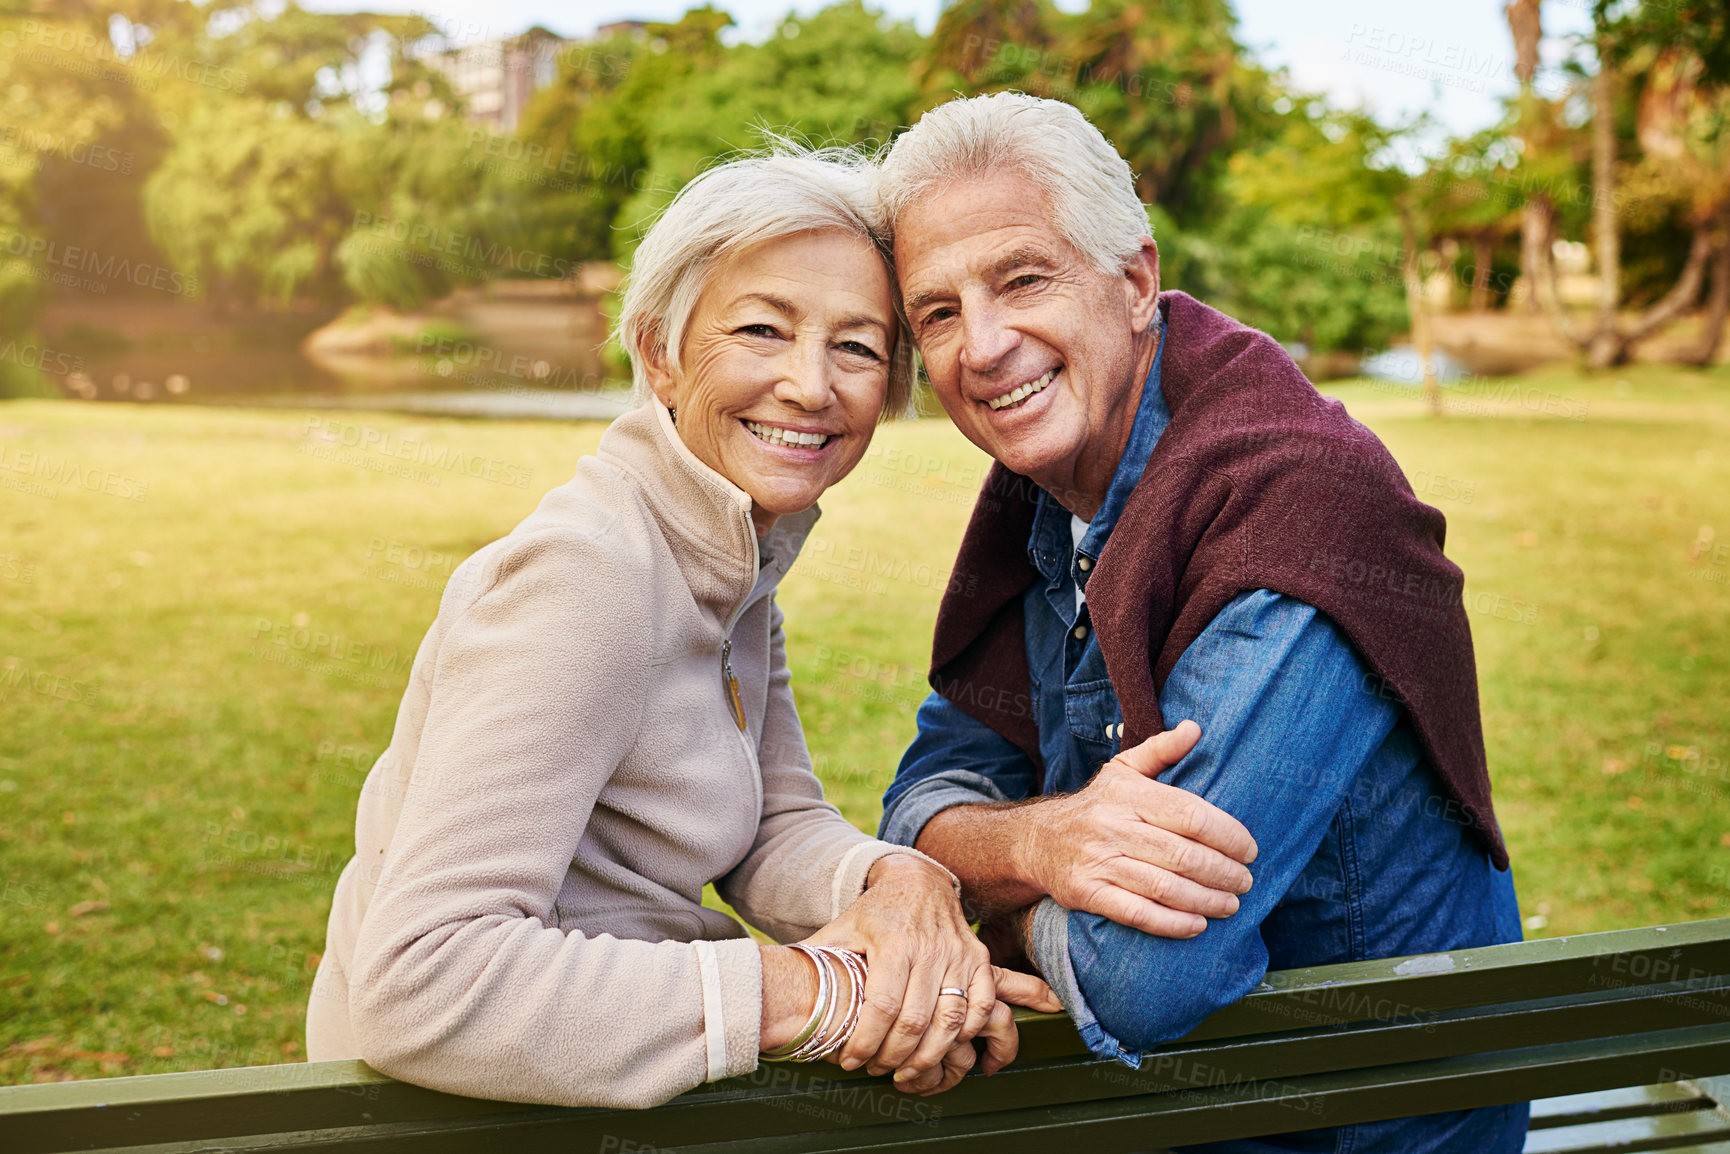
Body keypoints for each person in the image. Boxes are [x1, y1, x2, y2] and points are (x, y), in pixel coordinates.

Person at [304, 146, 1102, 1107]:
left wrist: (901, 887)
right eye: (762, 330)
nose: (812, 386)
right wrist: (831, 993)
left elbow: (768, 823)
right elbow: (424, 983)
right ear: (659, 354)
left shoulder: (729, 558)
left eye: (855, 346)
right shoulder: (583, 578)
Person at [875, 93, 1528, 1151]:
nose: (982, 346)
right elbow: (921, 789)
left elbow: (1140, 973)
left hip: (1352, 1130)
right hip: (1186, 1114)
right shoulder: (1054, 488)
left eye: (1021, 278)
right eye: (936, 313)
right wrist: (1044, 841)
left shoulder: (1301, 510)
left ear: (1133, 280)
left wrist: (980, 888)